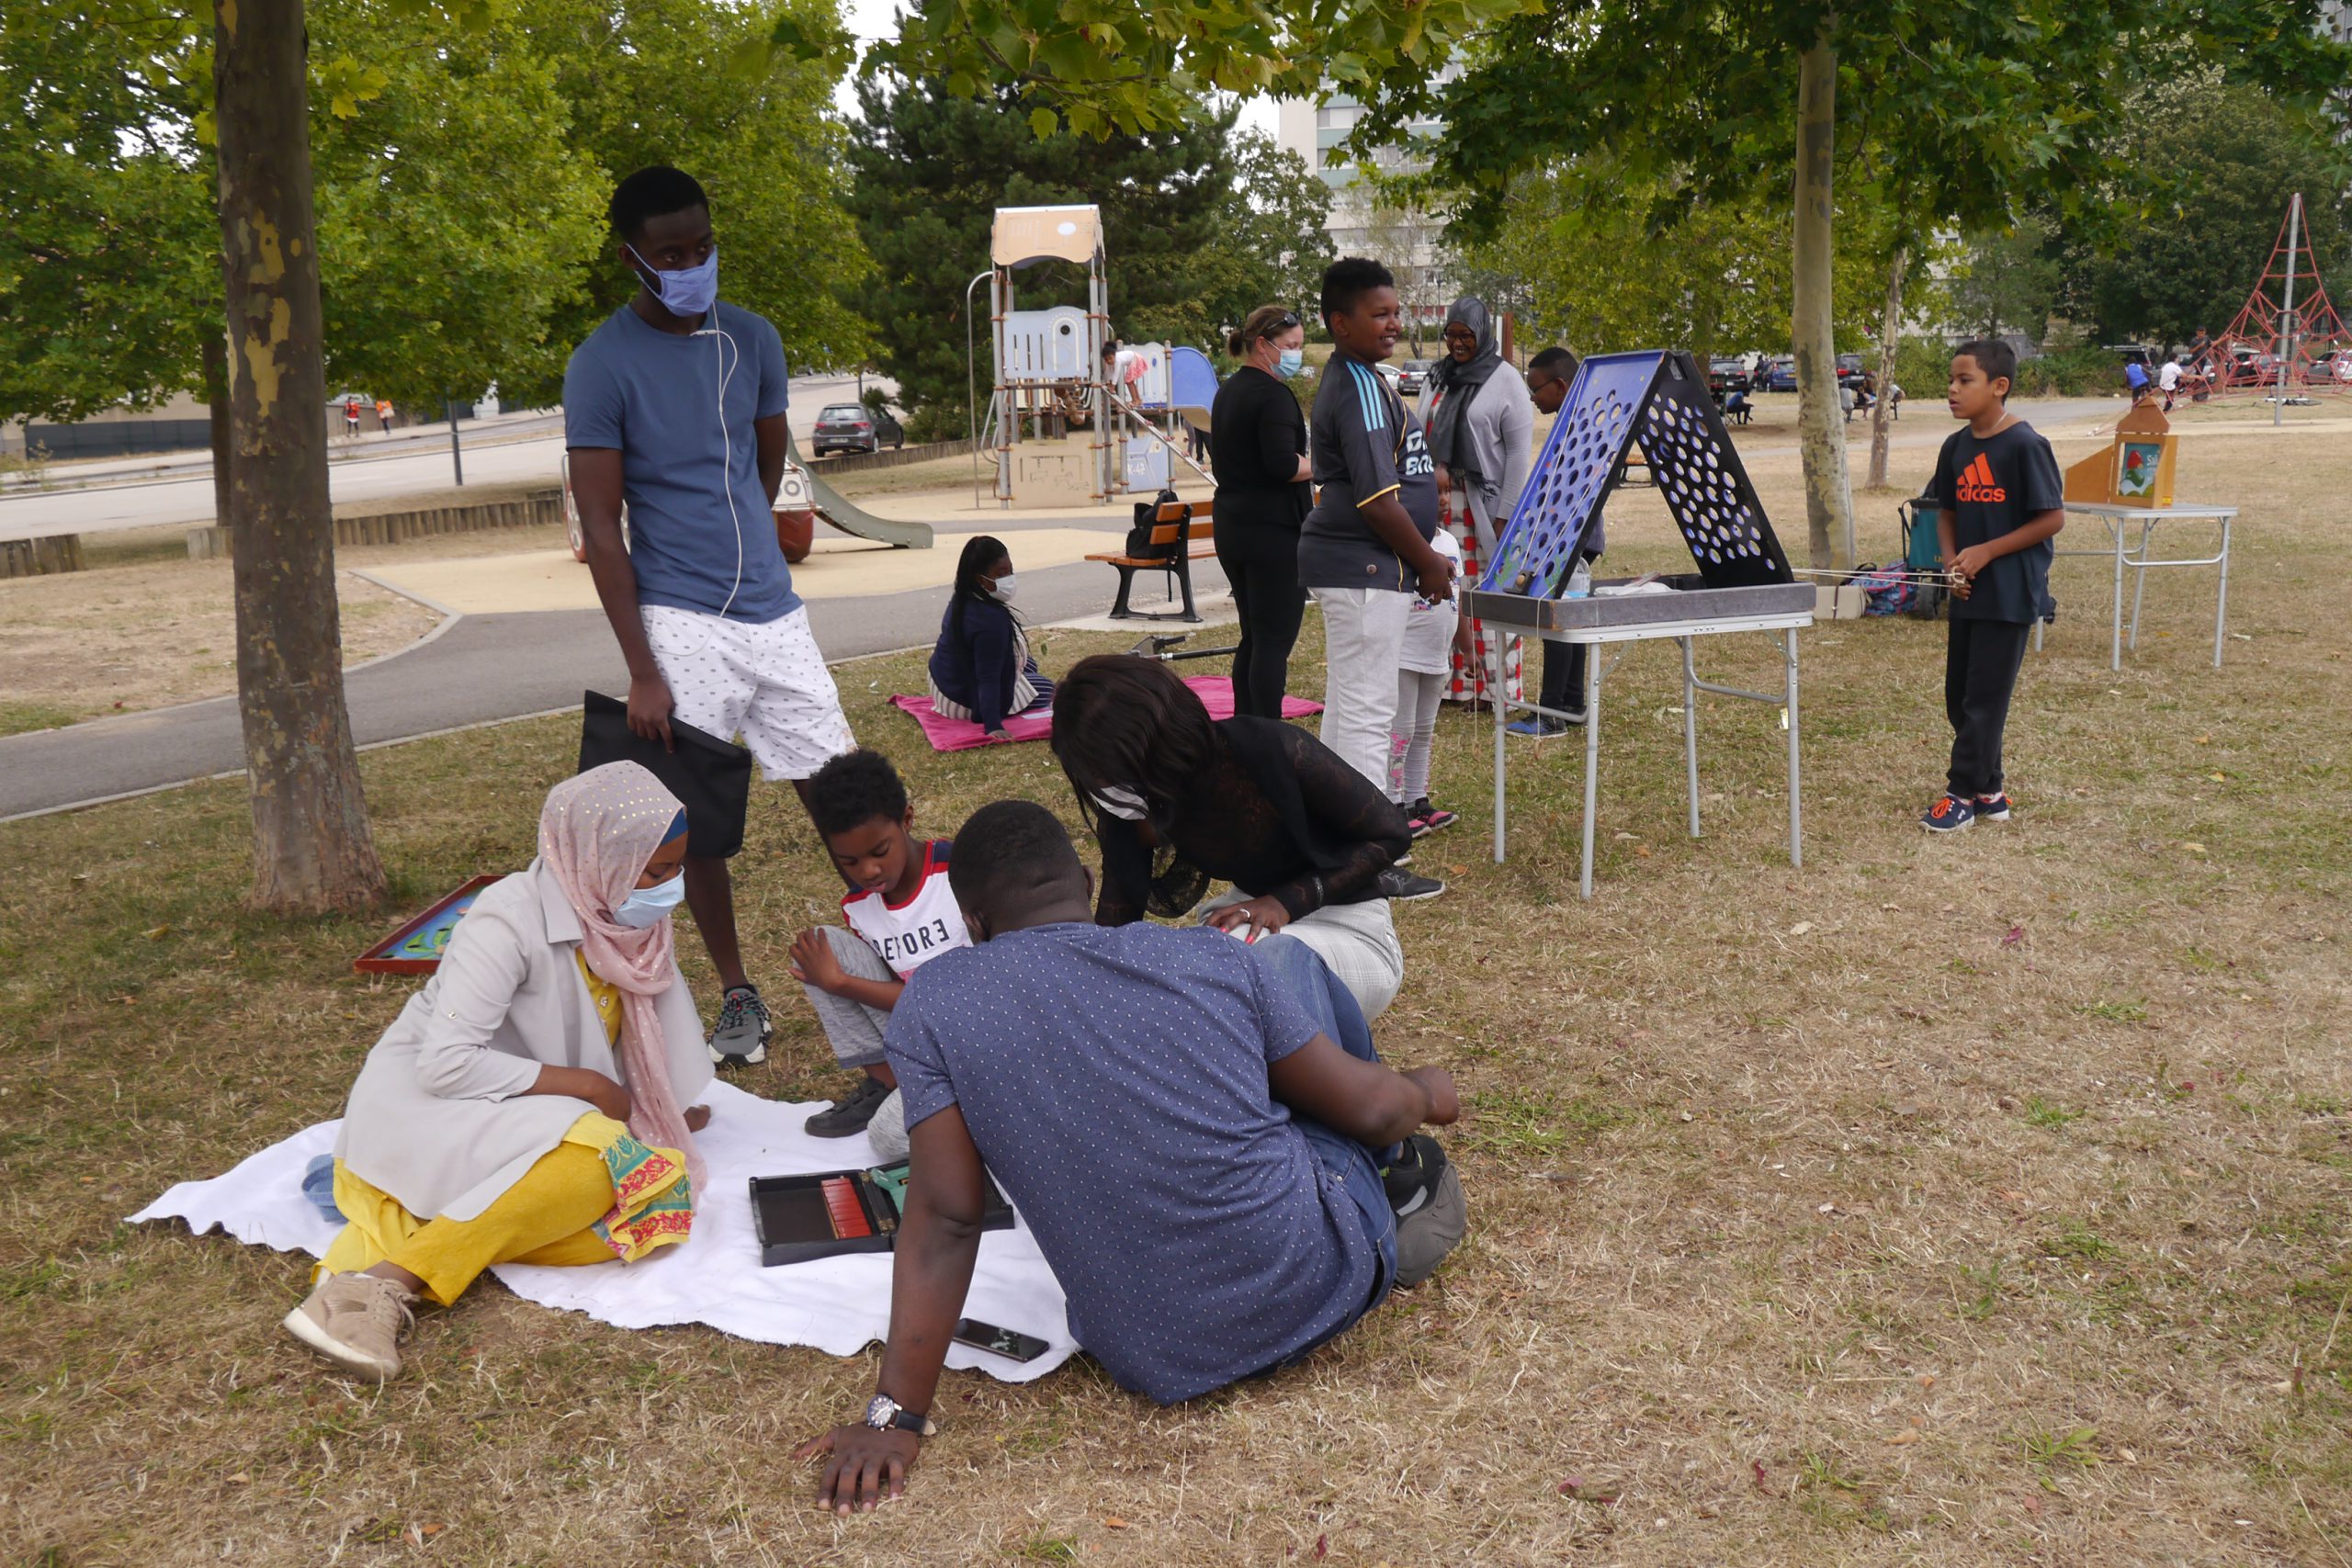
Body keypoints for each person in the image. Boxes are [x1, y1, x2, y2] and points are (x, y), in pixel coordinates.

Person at [794, 800, 1466, 1515]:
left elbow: (948, 1218)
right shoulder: (1205, 956)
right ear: (1085, 881)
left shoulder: (937, 1002)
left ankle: (1383, 1174)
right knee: (1291, 960)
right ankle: (1397, 1174)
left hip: (1153, 1353)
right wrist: (1426, 1091)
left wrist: (894, 1417)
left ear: (974, 923)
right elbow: (1374, 1107)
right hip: (1320, 1273)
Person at [283, 763, 715, 1383]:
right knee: (608, 1168)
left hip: (516, 1107)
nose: (671, 886)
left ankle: (424, 1221)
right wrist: (592, 1090)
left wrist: (660, 1105)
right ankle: (384, 1284)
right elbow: (447, 1062)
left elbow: (623, 1027)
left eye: (677, 866)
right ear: (598, 856)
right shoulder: (506, 918)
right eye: (656, 871)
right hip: (431, 1100)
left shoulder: (622, 915)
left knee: (652, 1204)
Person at [564, 164, 855, 1069]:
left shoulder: (754, 340)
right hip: (677, 622)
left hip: (773, 613)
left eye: (702, 248)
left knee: (844, 791)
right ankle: (737, 993)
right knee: (694, 820)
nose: (691, 266)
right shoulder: (599, 365)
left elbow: (764, 474)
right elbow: (602, 531)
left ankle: (896, 948)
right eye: (670, 255)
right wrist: (644, 666)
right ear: (633, 261)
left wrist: (749, 563)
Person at [1052, 653, 1430, 1018]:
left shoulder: (1267, 750)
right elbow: (1119, 923)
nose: (1105, 788)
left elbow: (1390, 835)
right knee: (1201, 967)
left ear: (1152, 747)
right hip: (1247, 923)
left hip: (1351, 928)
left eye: (1109, 773)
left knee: (1241, 966)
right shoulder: (1128, 805)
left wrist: (1285, 902)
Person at [1297, 257, 1454, 817]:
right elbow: (1377, 502)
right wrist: (1429, 562)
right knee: (1368, 711)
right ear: (1340, 324)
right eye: (1379, 314)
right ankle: (1367, 855)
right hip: (1362, 564)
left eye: (1396, 313)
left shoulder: (1369, 381)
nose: (1393, 324)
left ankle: (1338, 833)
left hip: (1367, 565)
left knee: (1349, 705)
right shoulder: (1358, 387)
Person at [788, 750, 968, 1155]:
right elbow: (900, 999)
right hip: (920, 1038)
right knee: (817, 947)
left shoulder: (960, 873)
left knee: (887, 1140)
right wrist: (838, 978)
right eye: (849, 860)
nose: (868, 871)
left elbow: (947, 1001)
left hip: (975, 1040)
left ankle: (964, 1104)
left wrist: (841, 983)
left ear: (906, 819)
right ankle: (888, 1079)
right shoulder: (859, 906)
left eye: (880, 851)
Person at [1919, 338, 2065, 834]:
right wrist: (1951, 563)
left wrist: (1986, 552)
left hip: (2010, 593)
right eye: (1951, 380)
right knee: (1959, 697)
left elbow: (2051, 519)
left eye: (1965, 380)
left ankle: (1959, 794)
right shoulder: (1955, 447)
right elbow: (1947, 512)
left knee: (1985, 700)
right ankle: (1991, 790)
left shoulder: (2025, 445)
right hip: (1968, 592)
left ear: (1999, 386)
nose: (1952, 390)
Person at [1423, 296, 1532, 714]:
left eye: (1465, 335)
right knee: (1450, 590)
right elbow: (1421, 431)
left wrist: (1507, 515)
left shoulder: (1505, 380)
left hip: (1486, 509)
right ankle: (1455, 687)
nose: (1457, 344)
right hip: (1440, 506)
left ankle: (1495, 691)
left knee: (1490, 594)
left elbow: (1519, 455)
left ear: (1482, 334)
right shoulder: (1438, 376)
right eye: (1450, 335)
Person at [1210, 305, 1314, 718]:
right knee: (1273, 641)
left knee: (1253, 635)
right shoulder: (1271, 395)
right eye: (1290, 346)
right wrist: (1327, 464)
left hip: (1233, 524)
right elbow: (1283, 465)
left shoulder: (1229, 391)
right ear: (1262, 345)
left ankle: (1246, 724)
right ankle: (1268, 732)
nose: (1296, 354)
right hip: (1272, 532)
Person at [1508, 348, 1600, 739]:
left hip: (1570, 538)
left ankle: (1550, 714)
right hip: (1580, 537)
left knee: (1558, 623)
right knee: (1571, 621)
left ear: (1560, 385)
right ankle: (1571, 702)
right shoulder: (1579, 417)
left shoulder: (1577, 424)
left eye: (1536, 389)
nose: (1532, 398)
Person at [926, 536, 1051, 740]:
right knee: (1046, 687)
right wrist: (992, 724)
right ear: (980, 578)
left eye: (1010, 570)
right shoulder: (990, 622)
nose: (1009, 578)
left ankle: (1015, 679)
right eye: (1001, 574)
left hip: (941, 681)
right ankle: (993, 707)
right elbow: (988, 677)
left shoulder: (964, 595)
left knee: (1030, 665)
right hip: (960, 702)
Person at [1389, 526, 1463, 836]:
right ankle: (1392, 805)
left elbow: (1458, 598)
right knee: (1401, 731)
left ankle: (1417, 799)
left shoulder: (1450, 541)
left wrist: (1467, 647)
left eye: (1446, 491)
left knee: (1423, 730)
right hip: (1405, 655)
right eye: (1435, 491)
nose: (1442, 498)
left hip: (1436, 657)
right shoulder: (1402, 541)